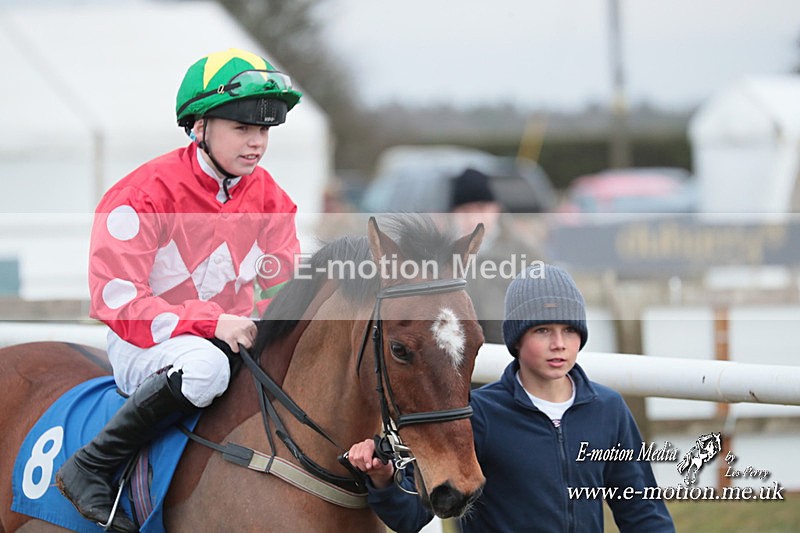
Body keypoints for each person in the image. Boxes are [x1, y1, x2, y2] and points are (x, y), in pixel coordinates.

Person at [55, 48, 302, 532]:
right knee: (206, 366)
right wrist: (212, 323)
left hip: (235, 338)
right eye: (242, 128)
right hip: (148, 342)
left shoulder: (272, 199)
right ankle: (92, 465)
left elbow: (283, 288)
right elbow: (118, 303)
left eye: (264, 130)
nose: (256, 143)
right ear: (199, 127)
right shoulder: (141, 195)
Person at [347, 263, 674, 533]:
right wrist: (384, 480)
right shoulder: (479, 415)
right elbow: (411, 516)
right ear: (516, 339)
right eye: (542, 330)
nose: (559, 344)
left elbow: (642, 512)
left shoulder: (608, 410)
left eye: (569, 330)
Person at [447, 167, 545, 344]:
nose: (473, 218)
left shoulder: (525, 252)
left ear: (496, 208)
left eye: (481, 208)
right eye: (465, 210)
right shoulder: (439, 255)